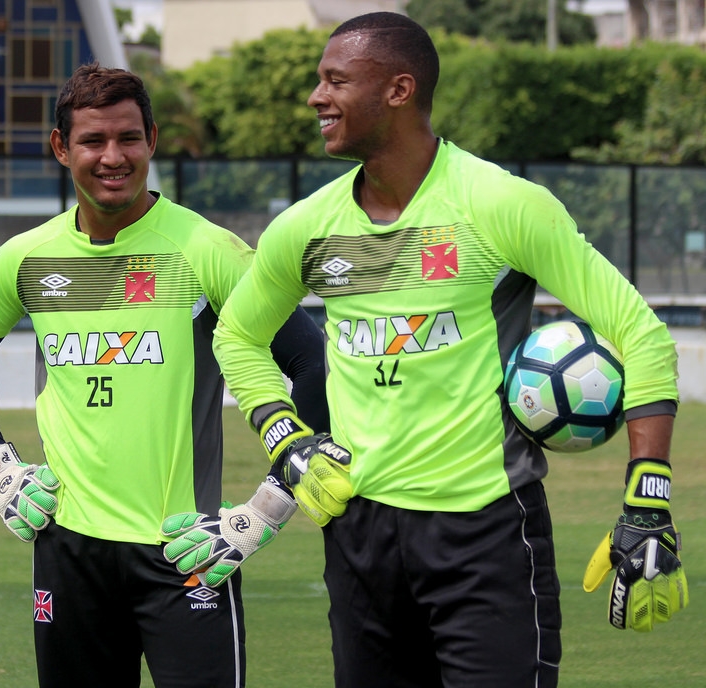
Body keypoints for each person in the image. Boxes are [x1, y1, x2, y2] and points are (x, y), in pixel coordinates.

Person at [211, 12, 688, 688]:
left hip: (486, 533)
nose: (317, 98)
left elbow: (640, 333)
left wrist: (648, 502)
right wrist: (285, 437)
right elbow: (237, 334)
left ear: (399, 90)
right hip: (357, 534)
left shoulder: (501, 204)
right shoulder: (305, 226)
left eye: (336, 81)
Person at [0, 63, 328, 688]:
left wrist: (272, 503)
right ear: (61, 147)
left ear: (152, 140)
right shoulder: (27, 257)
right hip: (66, 547)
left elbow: (310, 360)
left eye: (128, 138)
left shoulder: (206, 249)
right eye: (93, 140)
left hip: (188, 550)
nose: (112, 157)